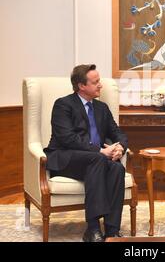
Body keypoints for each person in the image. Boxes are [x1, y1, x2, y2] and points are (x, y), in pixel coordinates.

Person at [44, 64, 128, 242]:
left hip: (95, 160)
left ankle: (112, 231)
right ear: (82, 86)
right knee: (97, 159)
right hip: (66, 159)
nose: (100, 85)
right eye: (96, 82)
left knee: (117, 169)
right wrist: (101, 151)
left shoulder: (102, 108)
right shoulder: (63, 105)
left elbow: (117, 132)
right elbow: (68, 139)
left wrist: (120, 147)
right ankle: (93, 228)